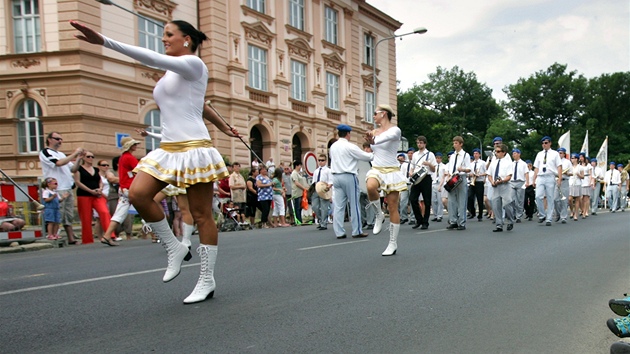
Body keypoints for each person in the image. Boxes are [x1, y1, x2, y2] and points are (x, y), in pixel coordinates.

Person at [72, 19, 240, 304]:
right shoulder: (172, 73)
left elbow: (149, 58)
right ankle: (174, 247)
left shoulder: (194, 64)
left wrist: (104, 41)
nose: (163, 39)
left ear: (186, 39)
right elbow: (198, 104)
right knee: (138, 194)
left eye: (168, 34)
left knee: (201, 216)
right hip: (168, 149)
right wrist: (223, 126)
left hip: (194, 149)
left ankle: (206, 279)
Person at [364, 105, 407, 255]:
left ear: (383, 114)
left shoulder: (395, 130)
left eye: (375, 113)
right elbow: (373, 149)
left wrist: (373, 139)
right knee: (370, 187)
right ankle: (378, 214)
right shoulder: (374, 132)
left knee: (393, 206)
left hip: (392, 171)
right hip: (376, 168)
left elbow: (383, 139)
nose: (373, 116)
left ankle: (392, 243)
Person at [329, 124, 373, 240]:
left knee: (339, 206)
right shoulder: (350, 146)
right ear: (348, 134)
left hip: (336, 176)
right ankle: (356, 230)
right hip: (348, 175)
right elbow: (367, 157)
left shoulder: (333, 146)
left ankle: (339, 232)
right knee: (354, 204)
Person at [39, 132, 83, 244]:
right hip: (56, 189)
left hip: (67, 187)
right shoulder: (45, 152)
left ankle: (70, 237)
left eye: (61, 139)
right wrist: (74, 154)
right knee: (56, 214)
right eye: (57, 139)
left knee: (68, 214)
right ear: (49, 139)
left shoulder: (61, 154)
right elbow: (58, 163)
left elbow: (73, 169)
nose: (60, 141)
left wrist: (78, 158)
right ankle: (52, 235)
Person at [99, 136, 140, 246]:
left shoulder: (123, 158)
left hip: (124, 189)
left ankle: (107, 235)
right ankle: (158, 235)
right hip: (132, 189)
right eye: (134, 144)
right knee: (149, 209)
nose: (136, 146)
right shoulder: (130, 158)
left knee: (119, 214)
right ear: (130, 146)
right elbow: (140, 171)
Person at [72, 151, 111, 244]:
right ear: (83, 158)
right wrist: (90, 191)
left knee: (104, 212)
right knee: (86, 218)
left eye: (92, 156)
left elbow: (100, 181)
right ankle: (87, 240)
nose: (91, 158)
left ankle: (110, 235)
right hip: (84, 195)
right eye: (89, 156)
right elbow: (78, 182)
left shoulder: (96, 169)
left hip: (97, 195)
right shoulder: (79, 169)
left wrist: (100, 188)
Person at [532, 136, 562, 226]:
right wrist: (534, 178)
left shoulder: (555, 154)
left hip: (550, 176)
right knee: (538, 196)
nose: (544, 145)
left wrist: (559, 178)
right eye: (543, 143)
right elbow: (536, 167)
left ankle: (548, 218)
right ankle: (542, 214)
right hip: (540, 176)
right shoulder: (539, 154)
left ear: (550, 143)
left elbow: (559, 166)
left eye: (546, 143)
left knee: (550, 197)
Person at [408, 136, 437, 230]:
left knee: (427, 201)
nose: (419, 144)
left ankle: (425, 222)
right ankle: (418, 219)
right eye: (418, 142)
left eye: (421, 142)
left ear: (425, 143)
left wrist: (428, 164)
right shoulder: (415, 154)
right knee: (412, 199)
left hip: (426, 178)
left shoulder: (430, 154)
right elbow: (412, 166)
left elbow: (434, 169)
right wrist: (411, 172)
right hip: (417, 178)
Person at [444, 136, 472, 230]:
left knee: (462, 201)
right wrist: (448, 175)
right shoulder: (452, 156)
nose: (454, 145)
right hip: (452, 178)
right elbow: (449, 168)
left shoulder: (465, 155)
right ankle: (453, 221)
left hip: (461, 177)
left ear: (461, 144)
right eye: (454, 143)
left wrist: (462, 169)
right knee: (451, 201)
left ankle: (462, 222)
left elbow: (469, 169)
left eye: (456, 143)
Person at [487, 144, 514, 232]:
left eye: (498, 152)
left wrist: (502, 180)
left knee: (507, 205)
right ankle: (499, 224)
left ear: (504, 153)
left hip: (505, 185)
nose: (496, 153)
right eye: (496, 152)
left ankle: (510, 221)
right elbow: (489, 174)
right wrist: (492, 182)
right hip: (495, 186)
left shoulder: (508, 163)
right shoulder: (493, 163)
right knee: (496, 205)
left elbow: (509, 176)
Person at [311, 154, 333, 230]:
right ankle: (321, 220)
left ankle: (323, 223)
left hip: (324, 190)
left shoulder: (328, 171)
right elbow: (313, 181)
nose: (320, 162)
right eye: (319, 160)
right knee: (315, 207)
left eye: (322, 160)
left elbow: (331, 181)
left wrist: (328, 188)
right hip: (316, 190)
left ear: (326, 161)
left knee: (324, 208)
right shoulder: (316, 171)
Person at [467, 148, 486, 222]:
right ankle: (472, 212)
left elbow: (486, 172)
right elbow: (468, 173)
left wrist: (480, 174)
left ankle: (480, 215)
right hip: (472, 181)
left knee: (479, 199)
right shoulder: (471, 164)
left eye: (477, 153)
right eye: (474, 153)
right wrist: (470, 174)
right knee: (470, 197)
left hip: (479, 182)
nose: (475, 155)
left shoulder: (483, 163)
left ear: (479, 154)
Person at [510, 149, 529, 223]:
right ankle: (514, 213)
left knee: (520, 200)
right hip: (512, 182)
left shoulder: (523, 163)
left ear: (519, 154)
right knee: (512, 199)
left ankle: (519, 215)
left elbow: (526, 173)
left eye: (515, 153)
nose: (513, 155)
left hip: (520, 182)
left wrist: (527, 182)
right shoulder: (511, 164)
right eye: (513, 154)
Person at [431, 152, 446, 222]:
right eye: (436, 158)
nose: (437, 159)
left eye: (439, 158)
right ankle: (435, 215)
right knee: (433, 200)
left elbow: (444, 176)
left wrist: (441, 184)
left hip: (440, 183)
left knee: (440, 200)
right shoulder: (433, 166)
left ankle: (440, 215)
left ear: (441, 159)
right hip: (433, 183)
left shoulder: (443, 166)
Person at [568, 154, 582, 220]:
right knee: (570, 199)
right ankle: (571, 211)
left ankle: (576, 214)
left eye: (573, 158)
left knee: (577, 199)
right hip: (570, 183)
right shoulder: (570, 166)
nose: (572, 159)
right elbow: (567, 173)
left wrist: (578, 174)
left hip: (577, 183)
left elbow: (583, 176)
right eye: (571, 158)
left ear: (576, 159)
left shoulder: (580, 167)